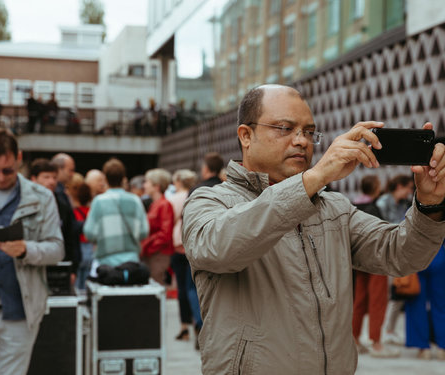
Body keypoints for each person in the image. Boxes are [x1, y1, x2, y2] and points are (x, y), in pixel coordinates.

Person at [182, 84, 445, 375]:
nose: (302, 141)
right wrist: (316, 177)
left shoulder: (333, 208)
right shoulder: (209, 200)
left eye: (309, 132)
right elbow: (219, 249)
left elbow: (402, 255)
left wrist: (429, 205)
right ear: (246, 135)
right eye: (284, 128)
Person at [0, 126, 64, 375]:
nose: (0, 177)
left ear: (19, 158)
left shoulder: (42, 197)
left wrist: (25, 250)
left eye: (7, 170)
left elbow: (57, 249)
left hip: (21, 311)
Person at [352, 175, 400, 357]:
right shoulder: (376, 207)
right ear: (375, 188)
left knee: (359, 299)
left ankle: (355, 339)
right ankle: (376, 343)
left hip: (357, 260)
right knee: (378, 301)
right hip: (376, 260)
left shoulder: (353, 205)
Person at [84, 159, 149, 269]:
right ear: (123, 178)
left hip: (105, 261)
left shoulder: (98, 201)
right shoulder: (135, 200)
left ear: (105, 178)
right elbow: (144, 232)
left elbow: (89, 233)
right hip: (131, 260)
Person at [377, 174, 415, 345]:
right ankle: (383, 331)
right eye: (408, 188)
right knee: (387, 295)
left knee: (398, 293)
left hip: (400, 252)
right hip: (384, 253)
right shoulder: (383, 202)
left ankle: (389, 329)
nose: (410, 192)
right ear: (399, 186)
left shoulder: (404, 205)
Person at [29, 159, 80, 278]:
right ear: (34, 179)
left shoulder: (62, 202)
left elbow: (70, 236)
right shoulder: (24, 202)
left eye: (54, 177)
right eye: (46, 177)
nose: (51, 182)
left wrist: (73, 269)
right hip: (32, 265)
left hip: (59, 265)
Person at [168, 169, 201, 346]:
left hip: (177, 242)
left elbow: (170, 220)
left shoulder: (172, 199)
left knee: (182, 287)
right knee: (195, 286)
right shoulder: (197, 194)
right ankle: (198, 322)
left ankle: (184, 327)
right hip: (192, 244)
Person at [405, 240, 445, 360]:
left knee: (416, 303)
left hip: (417, 254)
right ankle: (442, 348)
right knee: (441, 304)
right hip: (439, 253)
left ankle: (423, 348)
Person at [141, 168, 174, 285]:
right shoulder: (156, 204)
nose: (144, 185)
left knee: (156, 286)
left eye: (147, 182)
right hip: (154, 253)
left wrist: (148, 246)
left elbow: (165, 234)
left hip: (158, 254)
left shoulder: (164, 204)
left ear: (156, 186)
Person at [72, 183, 93, 291]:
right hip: (90, 245)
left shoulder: (74, 212)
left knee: (78, 276)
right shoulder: (92, 211)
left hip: (79, 245)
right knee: (87, 277)